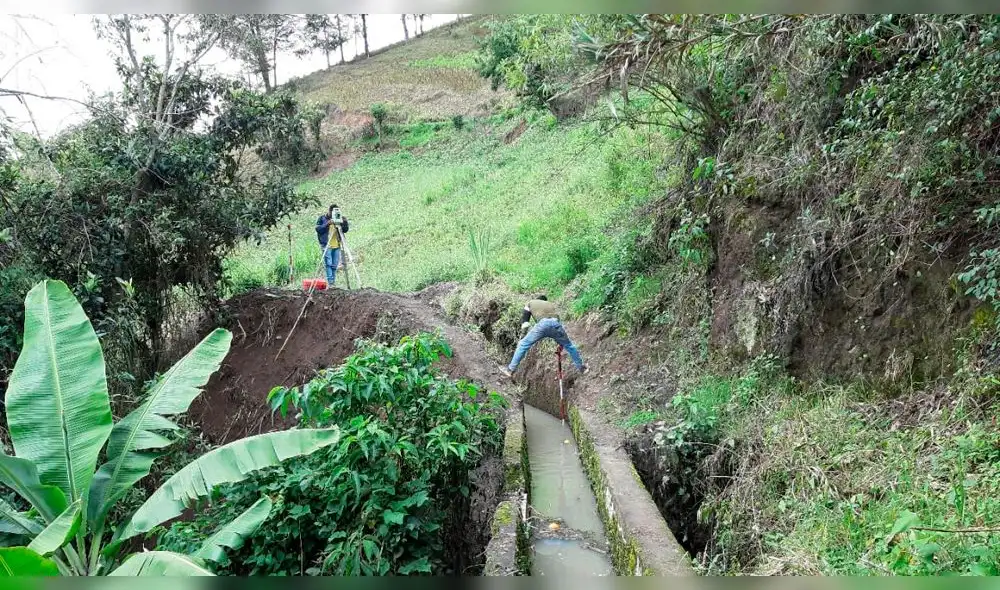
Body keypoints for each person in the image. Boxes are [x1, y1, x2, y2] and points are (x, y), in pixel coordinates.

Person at [501, 294, 588, 379]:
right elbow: (556, 324)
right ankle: (582, 368)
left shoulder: (530, 303)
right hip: (556, 324)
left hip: (542, 324)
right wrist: (560, 343)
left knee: (523, 344)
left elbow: (526, 324)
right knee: (569, 346)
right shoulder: (550, 305)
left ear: (537, 299)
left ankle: (510, 370)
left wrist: (522, 337)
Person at [315, 204, 350, 286]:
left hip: (336, 245)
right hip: (326, 245)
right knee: (328, 264)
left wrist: (344, 222)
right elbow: (318, 229)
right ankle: (331, 282)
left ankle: (333, 282)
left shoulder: (338, 218)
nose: (334, 214)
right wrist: (327, 224)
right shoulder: (322, 218)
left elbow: (345, 230)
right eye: (333, 212)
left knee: (334, 264)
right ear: (329, 211)